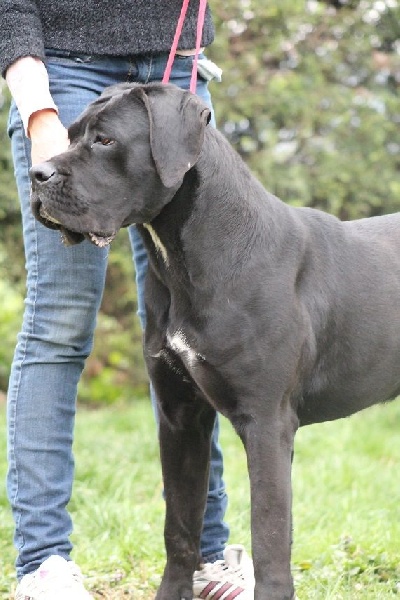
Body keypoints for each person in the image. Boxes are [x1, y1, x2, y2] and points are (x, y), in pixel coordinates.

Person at [0, 2, 255, 600]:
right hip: (62, 71)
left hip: (175, 69)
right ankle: (43, 561)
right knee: (60, 323)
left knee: (189, 328)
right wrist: (39, 112)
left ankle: (206, 557)